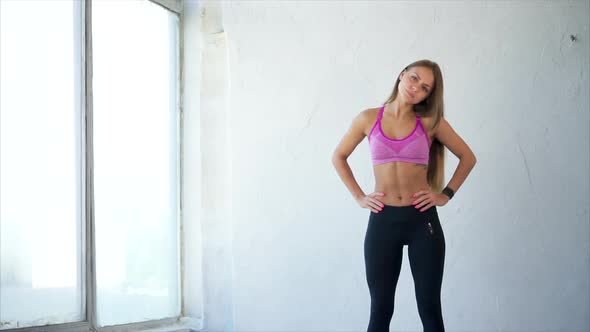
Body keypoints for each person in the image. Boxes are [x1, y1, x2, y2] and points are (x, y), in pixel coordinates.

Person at [331, 59, 476, 332]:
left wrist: (445, 194)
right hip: (383, 221)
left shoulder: (431, 122)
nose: (415, 88)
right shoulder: (368, 118)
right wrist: (359, 197)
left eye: (424, 88)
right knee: (381, 310)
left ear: (428, 95)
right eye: (413, 78)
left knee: (429, 309)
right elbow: (338, 156)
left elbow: (468, 157)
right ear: (401, 75)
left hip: (423, 222)